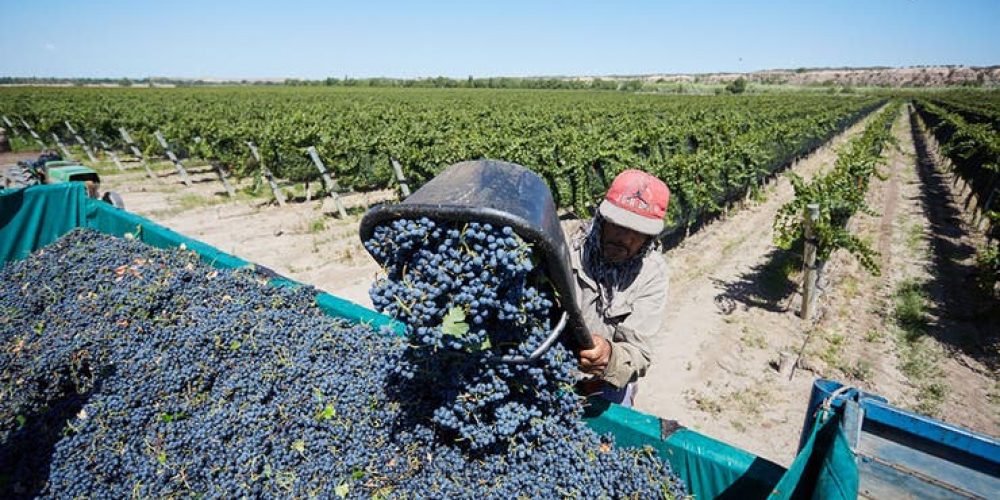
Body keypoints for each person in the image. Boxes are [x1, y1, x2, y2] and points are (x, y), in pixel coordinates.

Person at [572, 169, 670, 407]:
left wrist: (610, 357)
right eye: (619, 226)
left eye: (638, 233)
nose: (625, 239)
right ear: (601, 220)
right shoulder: (567, 248)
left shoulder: (651, 274)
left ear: (649, 239)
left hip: (604, 390)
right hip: (547, 380)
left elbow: (639, 353)